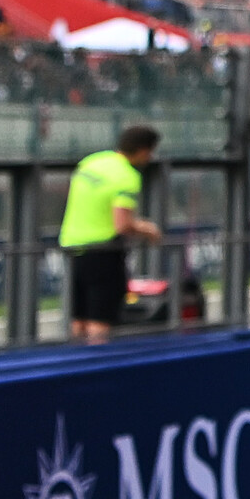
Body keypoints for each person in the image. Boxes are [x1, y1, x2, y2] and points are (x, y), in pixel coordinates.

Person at [61, 120, 163, 346]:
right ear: (144, 150)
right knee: (100, 318)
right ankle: (95, 370)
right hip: (103, 250)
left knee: (79, 317)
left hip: (73, 245)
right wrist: (148, 230)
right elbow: (122, 224)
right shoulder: (127, 176)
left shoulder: (91, 162)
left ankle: (75, 364)